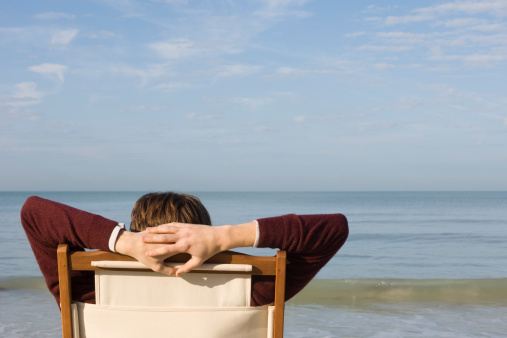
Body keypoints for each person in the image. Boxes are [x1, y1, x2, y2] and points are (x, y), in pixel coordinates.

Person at [21, 192, 348, 307]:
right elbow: (333, 229)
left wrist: (124, 242)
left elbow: (34, 212)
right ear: (203, 232)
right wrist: (225, 238)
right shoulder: (252, 293)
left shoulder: (91, 292)